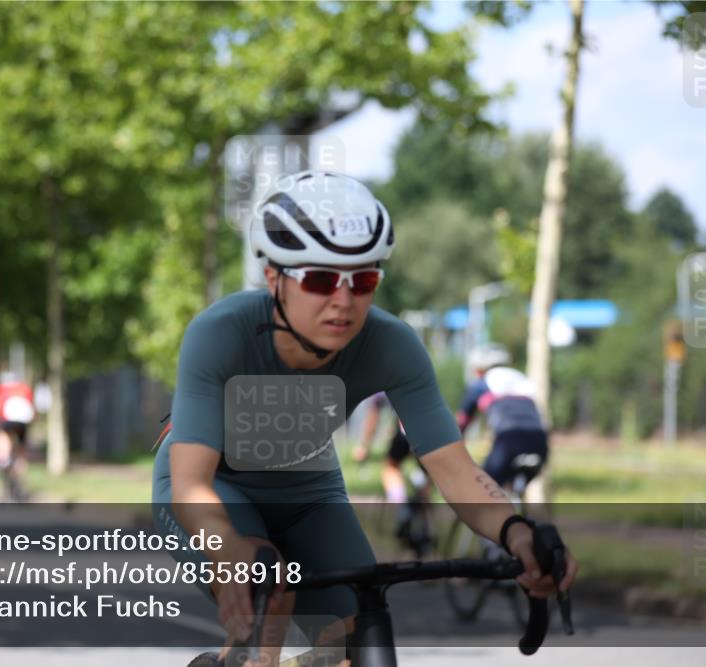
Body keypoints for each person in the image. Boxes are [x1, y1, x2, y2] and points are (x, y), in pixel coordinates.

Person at [151, 171, 576, 666]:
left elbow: (456, 471)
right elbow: (191, 487)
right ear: (274, 279)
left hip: (309, 490)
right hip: (214, 487)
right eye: (319, 279)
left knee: (359, 632)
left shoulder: (392, 344)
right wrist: (227, 553)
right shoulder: (221, 333)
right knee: (270, 596)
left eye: (364, 279)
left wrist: (517, 533)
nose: (344, 300)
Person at [456, 346, 549, 490]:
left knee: (481, 489)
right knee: (513, 488)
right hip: (540, 440)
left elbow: (463, 421)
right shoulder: (521, 378)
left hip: (508, 439)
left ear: (480, 369)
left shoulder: (481, 384)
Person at [351, 393, 432, 551]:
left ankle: (402, 508)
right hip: (430, 433)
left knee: (391, 467)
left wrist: (364, 447)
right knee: (425, 476)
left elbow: (373, 417)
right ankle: (426, 530)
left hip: (406, 433)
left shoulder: (384, 383)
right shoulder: (420, 374)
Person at [0, 372, 35, 501]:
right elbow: (33, 410)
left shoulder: (0, 389)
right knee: (20, 454)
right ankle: (19, 482)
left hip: (5, 422)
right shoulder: (25, 389)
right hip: (23, 424)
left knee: (2, 452)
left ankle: (7, 477)